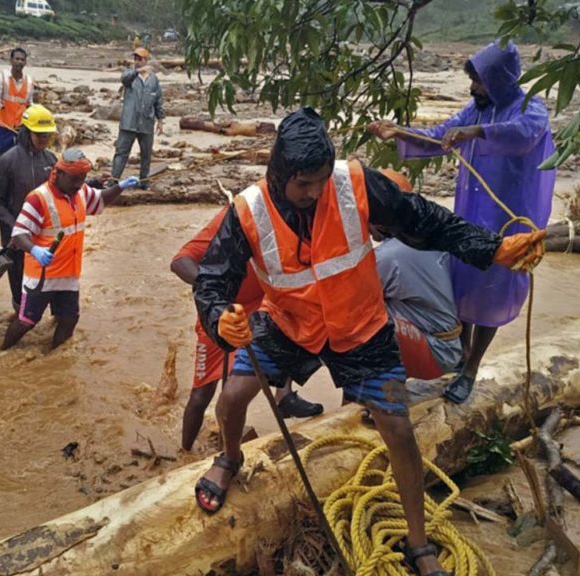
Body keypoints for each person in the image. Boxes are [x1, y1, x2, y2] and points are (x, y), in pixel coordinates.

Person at [193, 108, 545, 576]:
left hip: (361, 328)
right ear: (279, 175)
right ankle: (229, 457)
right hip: (287, 322)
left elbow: (427, 220)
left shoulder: (355, 183)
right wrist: (221, 319)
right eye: (304, 185)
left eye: (320, 180)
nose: (315, 193)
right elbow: (212, 280)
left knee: (397, 425)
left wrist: (492, 249)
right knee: (234, 393)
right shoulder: (247, 210)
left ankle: (419, 546)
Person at [367, 40, 555, 404]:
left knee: (493, 291)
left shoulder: (530, 109)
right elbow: (442, 135)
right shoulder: (476, 109)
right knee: (464, 284)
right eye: (473, 82)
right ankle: (461, 357)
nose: (474, 89)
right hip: (471, 210)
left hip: (509, 218)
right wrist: (399, 132)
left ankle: (471, 369)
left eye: (480, 82)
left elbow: (521, 134)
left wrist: (478, 133)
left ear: (500, 80)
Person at [171, 206, 324, 452]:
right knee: (202, 394)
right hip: (222, 313)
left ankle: (283, 396)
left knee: (284, 333)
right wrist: (213, 291)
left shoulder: (292, 222)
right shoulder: (230, 221)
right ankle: (184, 451)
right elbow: (179, 262)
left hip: (260, 306)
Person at [1, 150, 140, 351]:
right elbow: (19, 234)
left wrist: (119, 188)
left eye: (82, 179)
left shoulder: (80, 192)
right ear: (59, 174)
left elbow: (99, 200)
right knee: (27, 321)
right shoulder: (38, 198)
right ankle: (3, 351)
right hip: (42, 275)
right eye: (75, 179)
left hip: (69, 274)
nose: (79, 184)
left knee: (69, 319)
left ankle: (54, 359)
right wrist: (35, 250)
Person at [373, 169, 462, 380]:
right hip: (452, 345)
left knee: (358, 318)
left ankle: (371, 397)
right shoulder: (433, 233)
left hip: (435, 352)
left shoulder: (389, 256)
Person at [0, 104, 58, 312]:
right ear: (26, 133)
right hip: (15, 237)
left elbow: (62, 191)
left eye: (47, 136)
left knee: (49, 279)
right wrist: (15, 229)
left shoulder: (51, 160)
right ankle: (20, 317)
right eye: (39, 136)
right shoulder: (6, 161)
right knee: (19, 282)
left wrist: (96, 184)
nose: (44, 140)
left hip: (44, 234)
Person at [111, 47, 164, 189]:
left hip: (146, 123)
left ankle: (144, 181)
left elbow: (158, 100)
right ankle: (114, 179)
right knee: (121, 152)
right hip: (129, 123)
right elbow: (124, 79)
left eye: (140, 59)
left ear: (146, 60)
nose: (137, 61)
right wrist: (136, 71)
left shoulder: (154, 80)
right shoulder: (129, 75)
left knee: (146, 155)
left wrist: (160, 120)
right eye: (135, 58)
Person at [0, 47, 34, 158]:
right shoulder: (1, 77)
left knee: (21, 157)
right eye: (17, 59)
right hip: (4, 126)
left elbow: (29, 103)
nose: (19, 62)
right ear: (11, 60)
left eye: (22, 60)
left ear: (25, 62)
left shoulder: (29, 81)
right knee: (3, 156)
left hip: (21, 127)